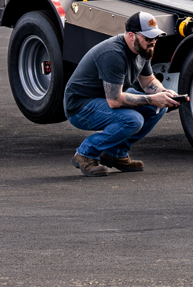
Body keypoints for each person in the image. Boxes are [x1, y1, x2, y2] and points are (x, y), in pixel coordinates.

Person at [61, 11, 181, 176]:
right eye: (148, 38)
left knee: (158, 107)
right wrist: (153, 99)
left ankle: (114, 154)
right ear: (132, 35)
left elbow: (148, 81)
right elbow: (115, 101)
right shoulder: (114, 54)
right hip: (80, 107)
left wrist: (164, 93)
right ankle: (85, 154)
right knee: (133, 119)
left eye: (155, 38)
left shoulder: (142, 50)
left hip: (106, 98)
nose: (153, 42)